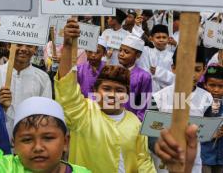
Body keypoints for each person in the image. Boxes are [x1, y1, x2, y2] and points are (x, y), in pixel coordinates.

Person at [54, 18, 155, 172]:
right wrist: (68, 46)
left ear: (127, 95)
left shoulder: (135, 122)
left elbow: (143, 161)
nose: (112, 95)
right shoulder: (83, 113)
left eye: (119, 91)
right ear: (95, 91)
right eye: (107, 88)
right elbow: (67, 90)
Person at [0, 97, 90, 172]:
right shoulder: (4, 168)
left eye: (48, 138)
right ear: (14, 144)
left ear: (65, 142)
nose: (38, 147)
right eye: (26, 140)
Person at [149, 46, 213, 173]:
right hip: (164, 159)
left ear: (204, 69)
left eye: (197, 69)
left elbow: (205, 130)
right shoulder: (158, 97)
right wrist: (158, 147)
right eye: (185, 69)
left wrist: (215, 131)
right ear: (174, 68)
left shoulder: (207, 98)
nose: (191, 74)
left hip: (192, 160)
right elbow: (150, 133)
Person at [0, 43, 52, 139]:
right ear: (8, 46)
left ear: (35, 49)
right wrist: (1, 105)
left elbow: (45, 112)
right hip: (0, 135)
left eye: (29, 46)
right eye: (19, 45)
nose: (24, 49)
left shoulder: (43, 78)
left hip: (31, 136)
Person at [118, 33, 152, 120]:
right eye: (120, 50)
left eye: (126, 52)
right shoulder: (112, 71)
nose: (121, 54)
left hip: (131, 122)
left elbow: (144, 104)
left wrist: (136, 122)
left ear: (138, 55)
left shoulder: (144, 76)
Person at [137, 24, 175, 93]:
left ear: (168, 39)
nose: (161, 40)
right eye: (158, 37)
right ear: (151, 39)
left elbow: (174, 78)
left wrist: (158, 72)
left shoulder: (172, 56)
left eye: (164, 37)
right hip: (147, 91)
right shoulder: (146, 51)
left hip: (166, 92)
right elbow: (143, 70)